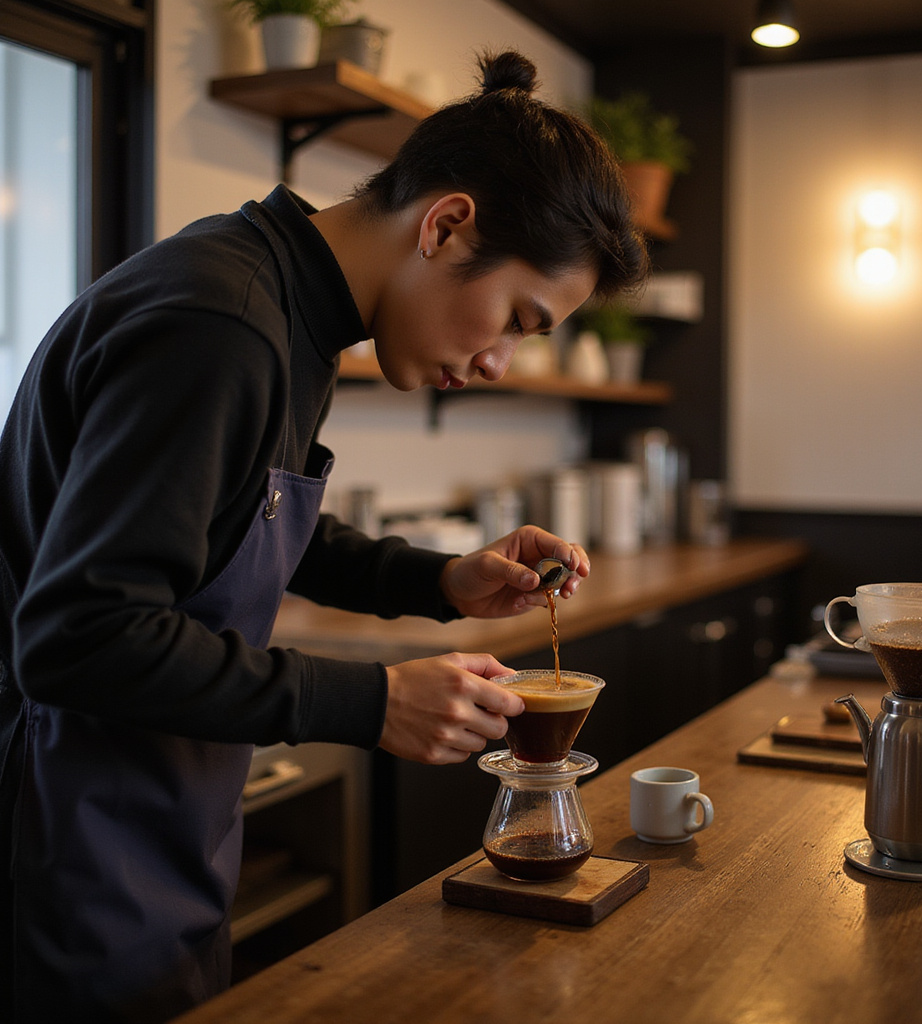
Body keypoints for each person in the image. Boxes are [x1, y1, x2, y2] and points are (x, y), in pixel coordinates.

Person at [0, 49, 649, 1022]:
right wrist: (369, 698)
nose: (496, 361)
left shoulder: (284, 308)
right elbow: (78, 633)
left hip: (153, 814)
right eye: (515, 318)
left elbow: (250, 519)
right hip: (67, 832)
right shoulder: (218, 324)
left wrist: (444, 580)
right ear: (445, 223)